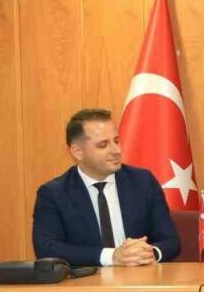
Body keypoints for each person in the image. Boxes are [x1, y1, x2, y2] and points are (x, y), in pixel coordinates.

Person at [33, 108, 180, 268]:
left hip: (140, 277)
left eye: (116, 141)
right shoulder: (54, 193)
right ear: (77, 152)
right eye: (103, 145)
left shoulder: (143, 181)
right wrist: (112, 257)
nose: (117, 150)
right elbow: (47, 249)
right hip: (87, 281)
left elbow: (170, 240)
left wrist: (148, 253)